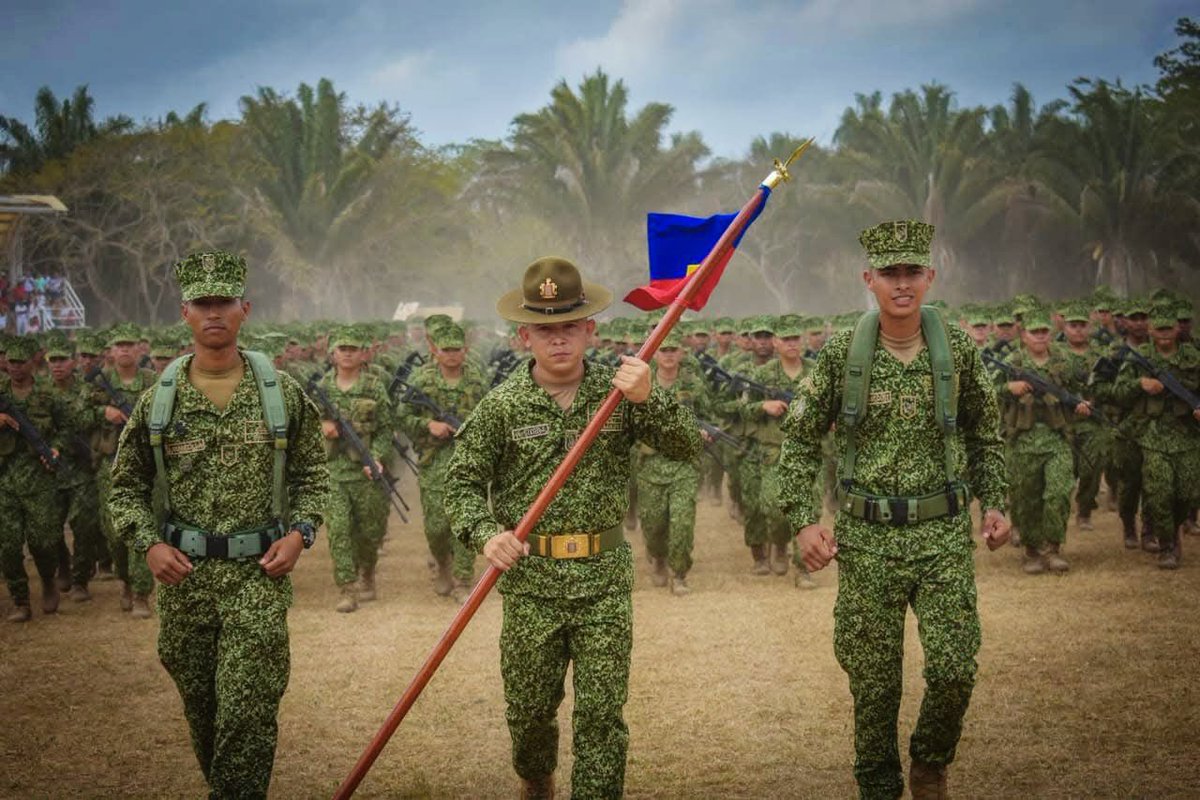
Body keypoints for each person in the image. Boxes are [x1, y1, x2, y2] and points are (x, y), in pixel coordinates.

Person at [444, 256, 701, 799]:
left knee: (603, 716)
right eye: (545, 329)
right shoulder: (503, 406)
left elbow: (686, 446)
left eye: (568, 327)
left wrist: (648, 397)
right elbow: (461, 484)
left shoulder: (620, 391)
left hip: (602, 581)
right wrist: (485, 533)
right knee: (531, 712)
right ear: (524, 336)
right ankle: (536, 778)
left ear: (589, 328)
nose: (557, 340)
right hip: (531, 583)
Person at [778, 220, 1011, 800]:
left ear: (930, 277)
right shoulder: (841, 354)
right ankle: (878, 786)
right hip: (868, 541)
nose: (901, 284)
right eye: (890, 273)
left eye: (912, 272)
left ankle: (930, 764)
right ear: (869, 279)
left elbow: (986, 432)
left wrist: (997, 501)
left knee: (955, 669)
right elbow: (799, 439)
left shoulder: (956, 349)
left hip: (943, 537)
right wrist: (805, 519)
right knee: (874, 687)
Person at [108, 250, 328, 799]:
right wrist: (150, 544)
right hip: (185, 583)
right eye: (202, 303)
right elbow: (125, 489)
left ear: (244, 309)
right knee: (205, 716)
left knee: (248, 714)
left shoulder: (280, 393)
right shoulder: (158, 400)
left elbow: (312, 477)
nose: (213, 313)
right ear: (184, 312)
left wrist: (300, 533)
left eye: (223, 302)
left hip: (259, 578)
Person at [398, 320, 487, 602]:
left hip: (468, 461)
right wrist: (428, 425)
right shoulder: (422, 380)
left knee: (467, 522)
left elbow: (491, 419)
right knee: (436, 526)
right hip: (434, 460)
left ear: (465, 349)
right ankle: (443, 565)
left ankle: (463, 580)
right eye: (445, 349)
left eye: (456, 349)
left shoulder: (477, 381)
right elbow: (401, 416)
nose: (451, 354)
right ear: (435, 350)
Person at [1111, 302, 1200, 569]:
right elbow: (1118, 393)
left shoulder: (1193, 357)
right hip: (1152, 435)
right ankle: (1167, 544)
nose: (1163, 333)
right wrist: (1140, 384)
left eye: (1168, 327)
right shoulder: (1139, 357)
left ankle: (1174, 529)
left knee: (1187, 494)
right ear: (1150, 329)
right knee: (1159, 492)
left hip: (1187, 435)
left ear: (1177, 328)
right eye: (1158, 327)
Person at [317, 324, 396, 613]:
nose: (347, 354)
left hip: (365, 472)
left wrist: (376, 457)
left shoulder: (374, 386)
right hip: (334, 470)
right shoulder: (322, 388)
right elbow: (305, 426)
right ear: (333, 354)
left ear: (363, 354)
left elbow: (387, 429)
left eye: (353, 349)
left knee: (369, 531)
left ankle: (367, 573)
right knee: (339, 529)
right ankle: (347, 588)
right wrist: (322, 427)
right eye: (342, 349)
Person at [635, 328, 711, 595]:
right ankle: (657, 558)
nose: (668, 355)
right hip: (651, 466)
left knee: (682, 523)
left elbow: (709, 418)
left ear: (682, 353)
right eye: (663, 350)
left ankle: (679, 574)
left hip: (684, 465)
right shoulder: (641, 385)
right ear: (654, 353)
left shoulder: (693, 385)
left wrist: (703, 434)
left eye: (672, 350)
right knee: (654, 524)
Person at [1, 335, 70, 622]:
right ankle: (20, 600)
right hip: (4, 478)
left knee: (44, 540)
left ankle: (48, 581)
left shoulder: (48, 394)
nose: (15, 367)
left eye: (21, 362)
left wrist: (56, 448)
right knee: (7, 543)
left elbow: (66, 428)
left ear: (33, 362)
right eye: (11, 362)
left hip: (40, 479)